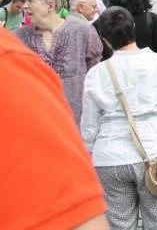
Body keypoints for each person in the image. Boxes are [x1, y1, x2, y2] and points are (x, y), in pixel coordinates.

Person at [81, 8, 157, 230]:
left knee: (118, 225)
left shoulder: (96, 73)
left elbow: (89, 124)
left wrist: (89, 154)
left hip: (110, 157)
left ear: (105, 39)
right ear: (133, 28)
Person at [0, 26, 110, 230]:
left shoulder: (10, 65)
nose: (27, 10)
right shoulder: (21, 39)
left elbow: (77, 218)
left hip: (64, 124)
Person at [17, 0, 102, 124]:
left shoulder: (83, 31)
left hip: (75, 120)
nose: (25, 6)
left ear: (50, 5)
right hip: (35, 118)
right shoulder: (21, 37)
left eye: (30, 1)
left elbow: (95, 74)